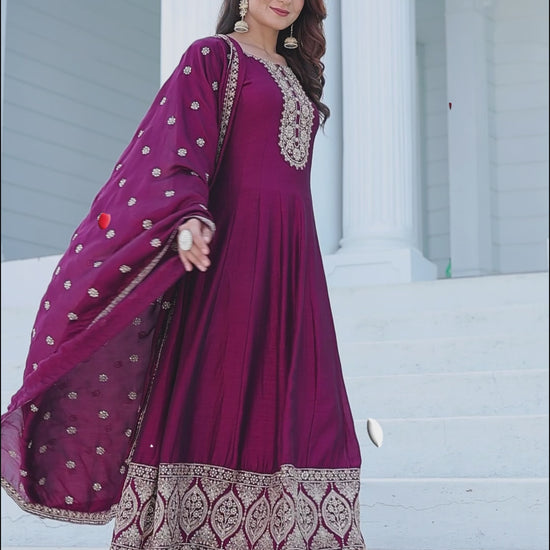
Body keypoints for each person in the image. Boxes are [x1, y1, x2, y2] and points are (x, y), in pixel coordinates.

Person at [1, 1, 367, 548]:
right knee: (218, 385)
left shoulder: (297, 77)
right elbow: (175, 149)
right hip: (232, 253)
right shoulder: (214, 57)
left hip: (294, 261)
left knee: (305, 399)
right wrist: (189, 216)